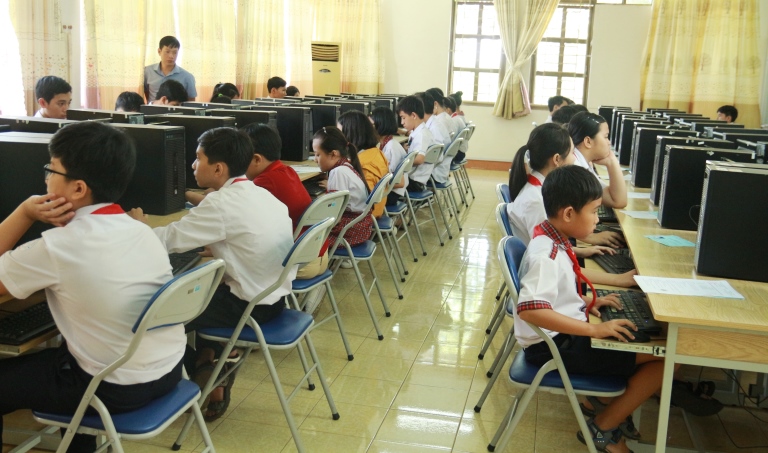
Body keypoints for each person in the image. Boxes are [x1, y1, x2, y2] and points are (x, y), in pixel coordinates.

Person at [0, 121, 185, 452]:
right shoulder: (139, 229)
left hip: (114, 388)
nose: (45, 179)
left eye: (51, 170)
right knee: (66, 355)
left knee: (58, 365)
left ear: (78, 189)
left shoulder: (60, 246)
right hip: (168, 373)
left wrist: (25, 212)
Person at [128, 127, 295, 421]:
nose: (193, 165)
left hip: (247, 308)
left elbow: (164, 241)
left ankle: (203, 372)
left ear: (218, 168)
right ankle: (211, 361)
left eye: (198, 158)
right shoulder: (262, 195)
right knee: (204, 288)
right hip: (274, 299)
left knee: (150, 320)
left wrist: (138, 225)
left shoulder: (221, 204)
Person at [515, 165, 673, 453]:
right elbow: (530, 310)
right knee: (668, 358)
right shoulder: (545, 254)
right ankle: (603, 428)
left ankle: (605, 406)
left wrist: (587, 302)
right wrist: (594, 330)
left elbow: (557, 290)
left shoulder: (552, 238)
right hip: (553, 348)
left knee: (652, 345)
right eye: (594, 211)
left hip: (561, 338)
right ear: (568, 213)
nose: (598, 219)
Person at [506, 124, 634, 290]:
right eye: (573, 153)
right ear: (557, 159)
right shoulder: (536, 201)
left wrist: (579, 251)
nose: (575, 159)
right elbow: (554, 264)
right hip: (539, 279)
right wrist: (619, 279)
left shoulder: (541, 189)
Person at [312, 126, 372, 248]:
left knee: (306, 236)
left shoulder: (338, 172)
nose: (315, 160)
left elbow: (334, 216)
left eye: (318, 154)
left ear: (333, 154)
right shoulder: (346, 165)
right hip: (361, 227)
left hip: (349, 232)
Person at [568, 111, 628, 210]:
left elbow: (618, 200)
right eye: (606, 137)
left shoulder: (582, 162)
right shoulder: (577, 169)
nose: (609, 142)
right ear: (588, 141)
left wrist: (611, 162)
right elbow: (618, 201)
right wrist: (612, 161)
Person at [338, 110, 389, 218]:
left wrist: (336, 187)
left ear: (350, 134)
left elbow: (361, 200)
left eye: (339, 133)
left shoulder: (365, 164)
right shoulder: (375, 152)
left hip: (366, 216)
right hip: (377, 209)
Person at [397, 95, 436, 192]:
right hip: (414, 177)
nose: (402, 122)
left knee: (387, 181)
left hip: (415, 181)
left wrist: (401, 161)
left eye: (403, 118)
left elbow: (419, 159)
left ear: (414, 116)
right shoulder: (418, 131)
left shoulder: (422, 134)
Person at [371, 106, 408, 206]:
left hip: (391, 194)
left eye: (372, 125)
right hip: (389, 191)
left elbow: (397, 182)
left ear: (380, 125)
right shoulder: (387, 144)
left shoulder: (391, 148)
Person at [143, 36, 196, 103]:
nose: (171, 56)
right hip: (152, 109)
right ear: (159, 51)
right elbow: (146, 93)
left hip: (176, 109)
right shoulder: (148, 71)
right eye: (167, 52)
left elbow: (191, 101)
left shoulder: (187, 77)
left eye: (175, 52)